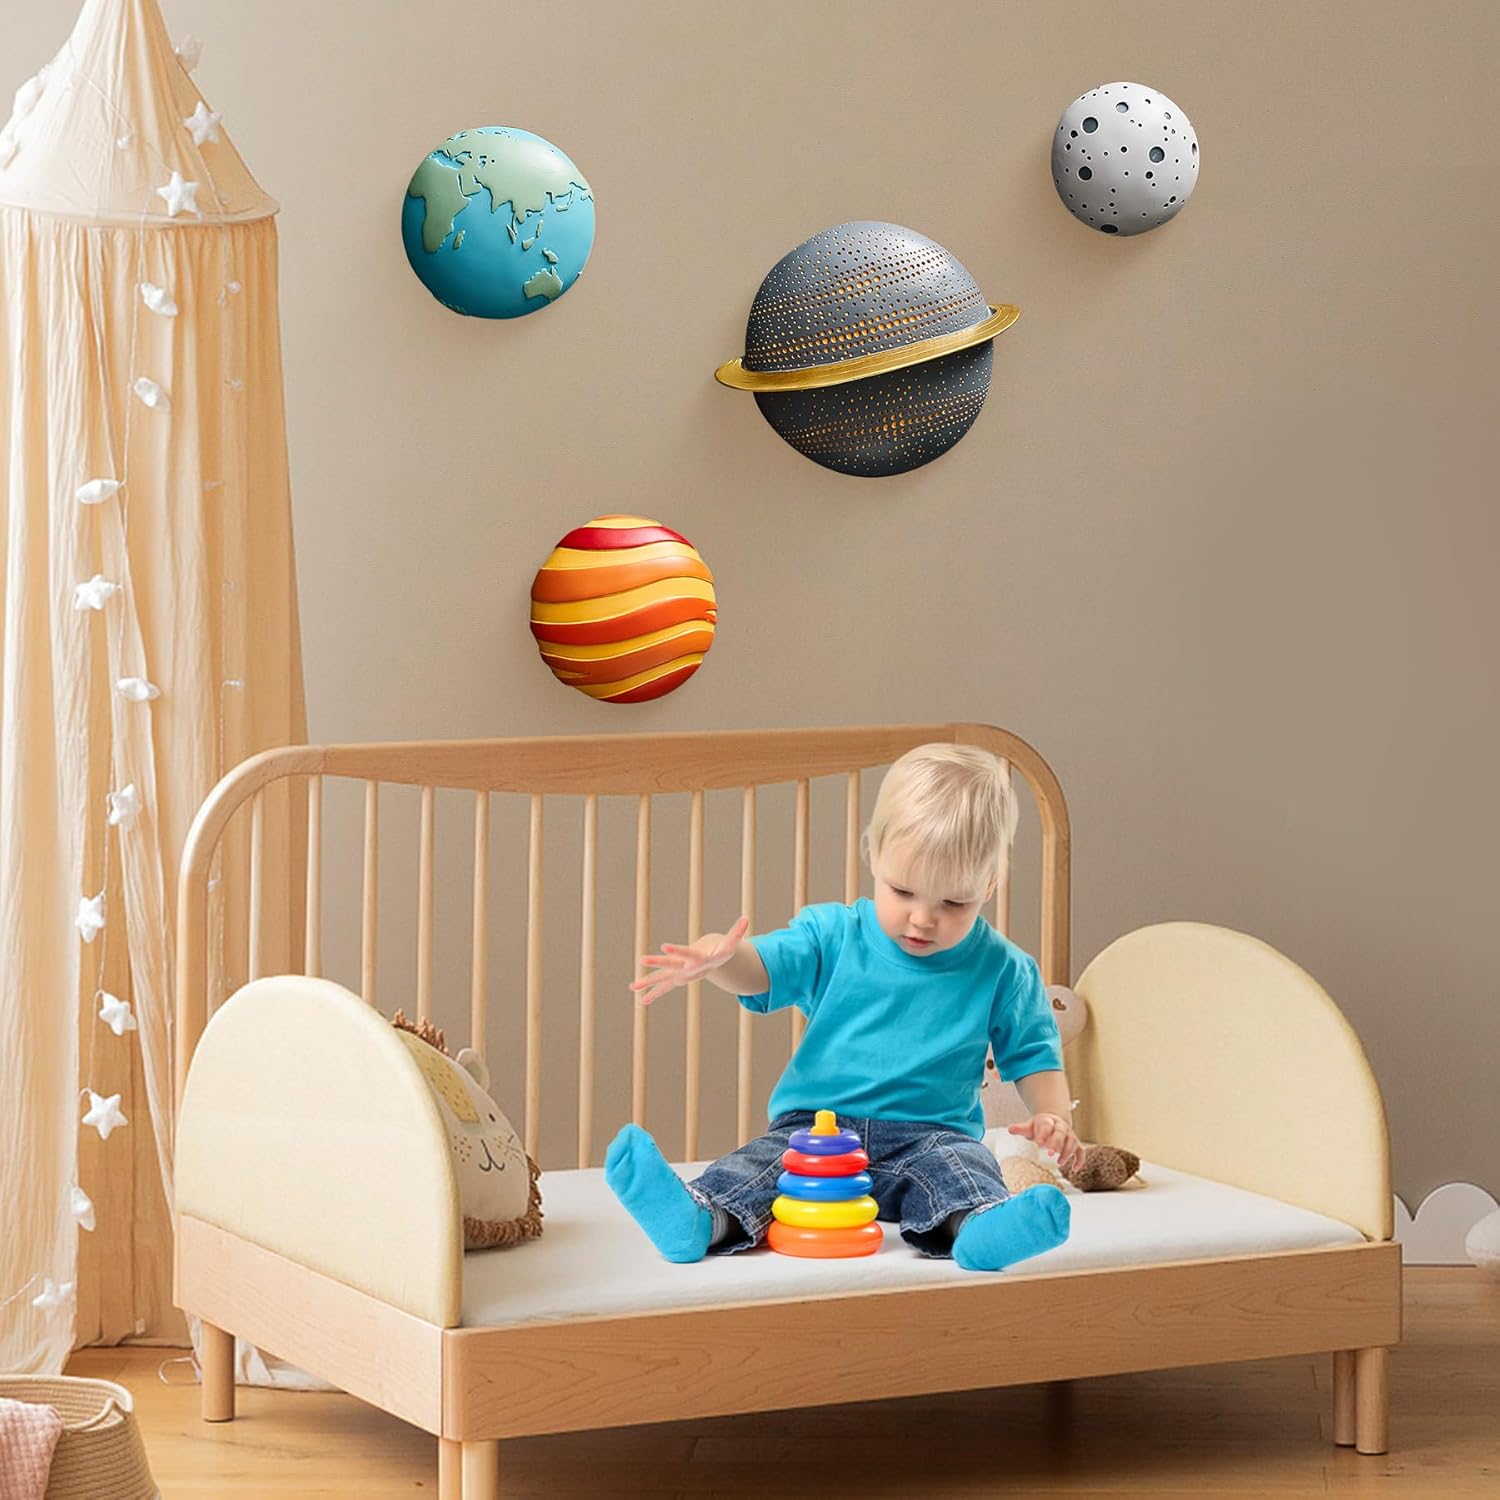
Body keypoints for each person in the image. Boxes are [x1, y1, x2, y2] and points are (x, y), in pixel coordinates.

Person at [604, 743, 1080, 1272]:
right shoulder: (832, 934)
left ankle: (979, 1228)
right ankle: (698, 1218)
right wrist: (720, 958)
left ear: (989, 885)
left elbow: (1035, 1056)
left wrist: (1052, 1115)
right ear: (874, 856)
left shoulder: (1005, 969)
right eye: (903, 891)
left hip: (932, 1134)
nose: (923, 918)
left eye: (953, 902)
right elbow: (762, 968)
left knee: (965, 1169)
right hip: (817, 1128)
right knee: (761, 1167)